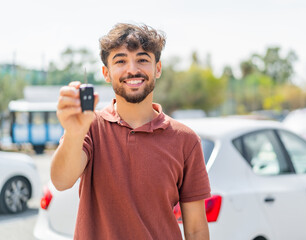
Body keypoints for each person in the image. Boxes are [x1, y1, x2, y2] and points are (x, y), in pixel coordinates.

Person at [51, 23, 211, 240]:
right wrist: (73, 132)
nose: (132, 69)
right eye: (121, 61)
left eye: (143, 59)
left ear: (158, 68)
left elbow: (196, 230)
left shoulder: (187, 140)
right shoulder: (89, 126)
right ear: (106, 73)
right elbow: (61, 181)